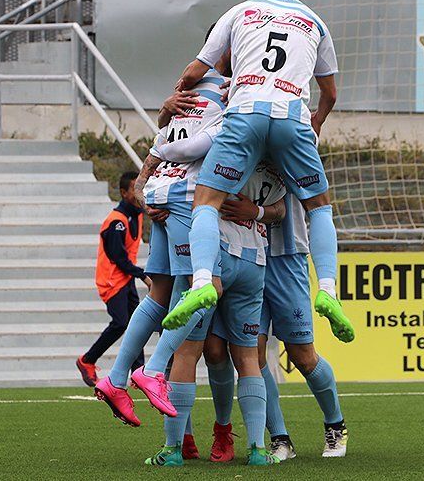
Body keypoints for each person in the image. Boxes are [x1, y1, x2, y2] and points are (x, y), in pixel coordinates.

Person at [162, 0, 354, 349]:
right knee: (319, 207)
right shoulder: (315, 22)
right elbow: (330, 93)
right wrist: (315, 121)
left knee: (206, 202)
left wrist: (179, 93)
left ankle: (200, 282)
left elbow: (197, 69)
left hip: (246, 111)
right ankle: (330, 291)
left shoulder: (240, 11)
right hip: (292, 118)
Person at [93, 41, 230, 435]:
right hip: (187, 198)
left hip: (161, 193)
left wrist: (146, 178)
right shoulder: (229, 93)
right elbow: (199, 145)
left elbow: (165, 131)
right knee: (207, 287)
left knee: (159, 293)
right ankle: (153, 370)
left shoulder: (187, 91)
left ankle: (116, 378)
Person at [144, 161, 287, 467]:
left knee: (184, 353)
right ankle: (258, 450)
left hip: (211, 255)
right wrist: (260, 212)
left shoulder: (218, 144)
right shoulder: (274, 154)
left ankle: (173, 450)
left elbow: (178, 175)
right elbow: (283, 206)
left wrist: (157, 198)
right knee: (244, 357)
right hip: (253, 258)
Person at [204, 192, 348, 460]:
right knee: (250, 352)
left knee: (302, 355)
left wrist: (257, 211)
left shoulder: (294, 149)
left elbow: (298, 200)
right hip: (241, 251)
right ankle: (280, 438)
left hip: (287, 254)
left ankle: (335, 425)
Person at [76, 171, 150, 387]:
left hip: (125, 278)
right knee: (120, 323)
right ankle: (87, 360)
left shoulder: (137, 213)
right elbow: (118, 257)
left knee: (139, 323)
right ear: (124, 192)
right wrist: (143, 275)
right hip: (111, 280)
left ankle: (138, 372)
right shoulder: (115, 222)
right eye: (134, 188)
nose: (139, 193)